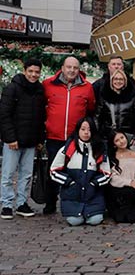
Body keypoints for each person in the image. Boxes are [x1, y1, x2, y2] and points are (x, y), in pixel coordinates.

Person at [42, 56, 96, 214]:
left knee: (76, 171)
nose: (72, 70)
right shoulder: (48, 84)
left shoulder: (87, 87)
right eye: (69, 67)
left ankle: (75, 203)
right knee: (53, 170)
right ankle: (50, 203)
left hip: (75, 138)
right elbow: (41, 106)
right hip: (54, 136)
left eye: (75, 68)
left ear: (79, 69)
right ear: (63, 68)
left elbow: (91, 109)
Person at [0, 58, 46, 219]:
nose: (34, 75)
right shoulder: (12, 88)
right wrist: (10, 138)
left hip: (31, 140)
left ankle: (21, 203)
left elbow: (41, 117)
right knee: (8, 173)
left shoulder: (40, 90)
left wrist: (41, 139)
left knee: (26, 175)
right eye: (31, 71)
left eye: (37, 72)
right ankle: (6, 204)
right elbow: (4, 115)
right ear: (25, 70)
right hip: (13, 140)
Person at [49, 117, 109, 226]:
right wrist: (68, 182)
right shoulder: (67, 149)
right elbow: (54, 170)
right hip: (72, 195)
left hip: (93, 195)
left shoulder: (99, 149)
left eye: (89, 130)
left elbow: (106, 173)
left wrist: (94, 183)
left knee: (94, 220)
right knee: (75, 221)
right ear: (78, 131)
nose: (86, 133)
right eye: (83, 129)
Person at [105, 130, 135, 223]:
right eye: (117, 140)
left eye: (122, 138)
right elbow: (113, 177)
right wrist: (129, 183)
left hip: (134, 185)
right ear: (114, 144)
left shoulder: (134, 153)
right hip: (119, 187)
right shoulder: (112, 156)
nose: (121, 141)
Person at [95, 69, 135, 142]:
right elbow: (97, 117)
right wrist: (97, 134)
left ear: (125, 81)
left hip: (127, 136)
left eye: (121, 79)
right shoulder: (104, 96)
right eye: (116, 79)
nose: (118, 81)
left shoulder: (133, 97)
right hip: (108, 136)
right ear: (112, 80)